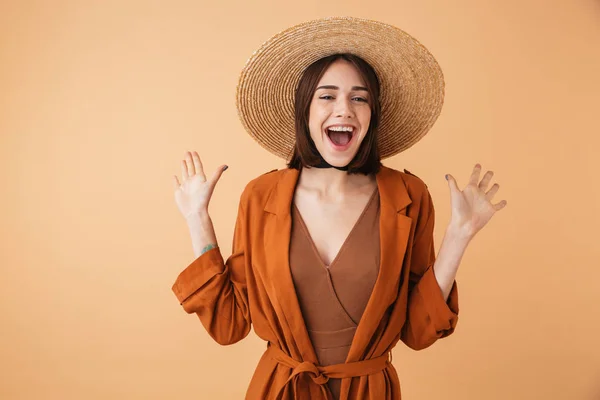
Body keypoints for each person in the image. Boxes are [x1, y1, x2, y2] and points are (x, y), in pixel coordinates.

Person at [171, 16, 507, 400]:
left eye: (359, 97)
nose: (344, 109)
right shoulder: (261, 195)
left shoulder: (408, 194)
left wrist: (459, 235)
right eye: (327, 96)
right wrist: (197, 219)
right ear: (306, 112)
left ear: (371, 115)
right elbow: (228, 326)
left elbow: (417, 331)